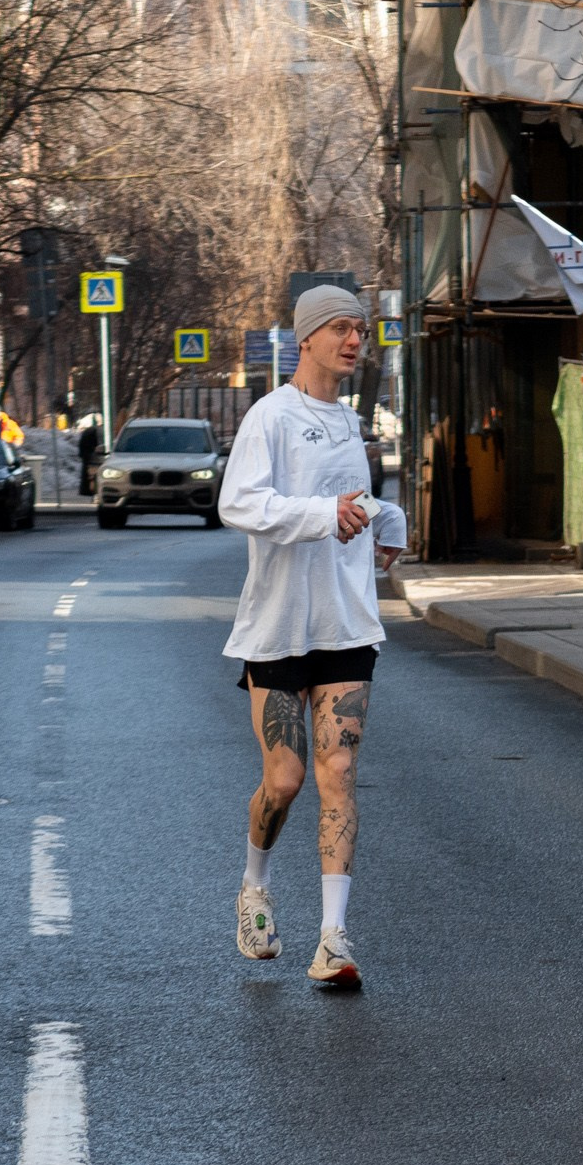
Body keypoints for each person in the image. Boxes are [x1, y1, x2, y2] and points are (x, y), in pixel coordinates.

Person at [219, 284, 408, 988]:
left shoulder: (349, 421)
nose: (355, 340)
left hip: (346, 622)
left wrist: (386, 525)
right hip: (276, 629)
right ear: (307, 339)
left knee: (338, 773)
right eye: (340, 328)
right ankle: (255, 886)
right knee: (287, 777)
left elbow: (348, 506)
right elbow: (239, 502)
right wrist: (323, 513)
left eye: (360, 329)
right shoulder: (270, 416)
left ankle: (333, 938)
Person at [77, 417, 101, 496]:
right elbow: (95, 443)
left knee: (85, 472)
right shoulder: (93, 432)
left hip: (85, 453)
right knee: (90, 474)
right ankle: (89, 490)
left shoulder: (87, 432)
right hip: (89, 454)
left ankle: (84, 490)